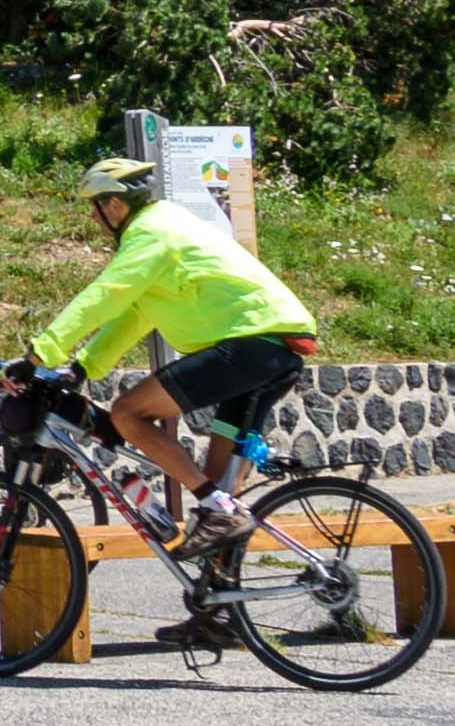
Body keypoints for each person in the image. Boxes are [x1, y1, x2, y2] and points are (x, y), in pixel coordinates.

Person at [34, 157, 318, 533]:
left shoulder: (150, 233)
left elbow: (105, 295)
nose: (92, 216)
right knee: (217, 492)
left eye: (94, 206)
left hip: (249, 345)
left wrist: (42, 353)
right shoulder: (167, 223)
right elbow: (137, 313)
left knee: (128, 413)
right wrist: (84, 365)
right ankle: (219, 557)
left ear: (113, 204)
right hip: (273, 349)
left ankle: (217, 507)